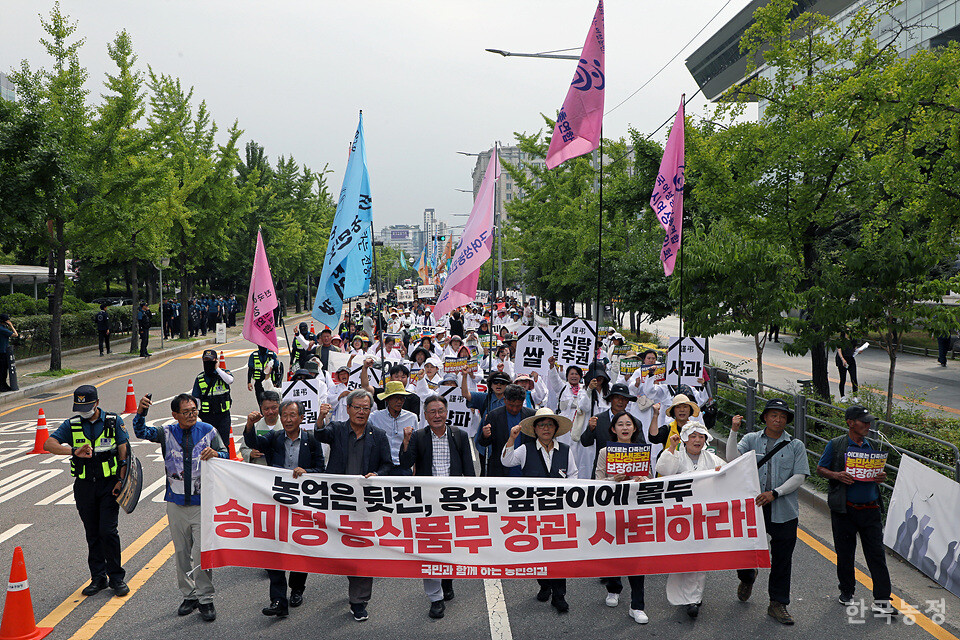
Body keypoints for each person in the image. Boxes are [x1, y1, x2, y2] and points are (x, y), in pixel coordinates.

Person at [133, 393, 228, 621]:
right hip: (175, 503)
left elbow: (226, 455)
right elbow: (141, 432)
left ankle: (206, 598)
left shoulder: (208, 431)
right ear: (175, 415)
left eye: (194, 410)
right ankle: (189, 595)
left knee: (201, 553)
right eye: (186, 412)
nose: (191, 415)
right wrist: (141, 412)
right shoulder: (166, 433)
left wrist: (216, 453)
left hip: (202, 503)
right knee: (182, 553)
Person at [728, 398, 810, 625]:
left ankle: (778, 603)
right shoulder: (751, 439)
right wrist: (734, 431)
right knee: (746, 549)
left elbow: (800, 476)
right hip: (753, 506)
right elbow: (732, 460)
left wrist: (775, 492)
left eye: (783, 416)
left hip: (784, 509)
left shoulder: (796, 445)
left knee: (782, 558)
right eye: (774, 415)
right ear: (765, 417)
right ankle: (747, 576)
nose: (778, 420)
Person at [313, 389, 393, 622]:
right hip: (337, 502)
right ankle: (352, 581)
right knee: (342, 550)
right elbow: (320, 434)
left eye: (365, 408)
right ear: (348, 409)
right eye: (356, 407)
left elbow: (388, 465)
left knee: (362, 551)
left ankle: (359, 601)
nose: (361, 412)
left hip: (365, 505)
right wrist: (321, 417)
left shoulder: (378, 435)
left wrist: (377, 475)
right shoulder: (337, 429)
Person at [43, 385, 130, 597]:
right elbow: (48, 444)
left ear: (97, 403)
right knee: (92, 533)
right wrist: (73, 451)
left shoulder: (113, 421)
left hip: (109, 485)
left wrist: (121, 480)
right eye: (80, 408)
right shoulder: (72, 425)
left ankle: (116, 578)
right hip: (84, 487)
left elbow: (124, 452)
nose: (84, 411)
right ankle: (98, 578)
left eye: (88, 407)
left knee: (108, 531)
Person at [244, 399, 325, 617]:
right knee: (274, 549)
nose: (288, 420)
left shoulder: (311, 440)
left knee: (300, 546)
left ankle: (297, 589)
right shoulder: (275, 438)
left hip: (302, 503)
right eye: (285, 415)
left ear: (301, 418)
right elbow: (254, 442)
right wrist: (250, 425)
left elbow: (321, 468)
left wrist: (306, 472)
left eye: (292, 415)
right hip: (276, 501)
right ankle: (278, 599)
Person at [816, 405, 898, 616]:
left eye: (869, 422)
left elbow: (877, 474)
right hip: (845, 510)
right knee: (845, 553)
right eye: (864, 421)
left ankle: (882, 600)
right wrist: (837, 475)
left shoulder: (872, 445)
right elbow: (820, 469)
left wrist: (881, 477)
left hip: (871, 510)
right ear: (850, 423)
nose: (868, 425)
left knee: (876, 555)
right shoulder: (836, 445)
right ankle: (846, 591)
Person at [398, 394, 475, 618]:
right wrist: (406, 442)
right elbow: (405, 464)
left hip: (453, 501)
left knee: (450, 546)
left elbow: (470, 472)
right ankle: (435, 598)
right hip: (427, 502)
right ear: (425, 415)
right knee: (430, 548)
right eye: (432, 412)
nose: (437, 415)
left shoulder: (459, 435)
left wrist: (470, 502)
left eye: (440, 411)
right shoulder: (419, 436)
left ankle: (447, 581)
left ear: (447, 412)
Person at [501, 408, 576, 612]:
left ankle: (559, 595)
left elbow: (573, 475)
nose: (546, 428)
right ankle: (544, 585)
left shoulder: (566, 450)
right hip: (533, 511)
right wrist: (511, 438)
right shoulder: (525, 449)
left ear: (556, 429)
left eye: (550, 425)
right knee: (537, 553)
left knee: (558, 554)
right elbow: (506, 461)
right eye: (541, 425)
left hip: (558, 511)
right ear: (534, 429)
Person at [594, 411, 660, 624]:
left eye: (628, 424)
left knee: (636, 555)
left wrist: (643, 479)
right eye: (620, 424)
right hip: (613, 508)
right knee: (613, 551)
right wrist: (614, 479)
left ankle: (637, 605)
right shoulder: (605, 452)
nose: (624, 427)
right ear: (613, 429)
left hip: (635, 510)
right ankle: (613, 588)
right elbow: (597, 481)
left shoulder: (642, 451)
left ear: (635, 428)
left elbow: (650, 480)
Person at [656, 422, 725, 619]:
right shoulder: (677, 455)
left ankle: (695, 598)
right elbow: (663, 469)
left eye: (701, 437)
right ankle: (683, 594)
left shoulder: (712, 458)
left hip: (703, 515)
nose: (697, 440)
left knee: (700, 557)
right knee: (681, 556)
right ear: (685, 439)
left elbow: (729, 473)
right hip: (679, 516)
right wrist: (671, 447)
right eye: (693, 436)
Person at [582, 384, 665, 479]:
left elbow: (641, 450)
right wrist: (590, 429)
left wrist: (642, 477)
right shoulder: (598, 420)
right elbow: (585, 442)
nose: (620, 401)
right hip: (604, 473)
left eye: (624, 399)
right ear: (611, 399)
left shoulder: (635, 422)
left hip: (630, 476)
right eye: (617, 398)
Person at [477, 383, 535, 477]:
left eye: (518, 406)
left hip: (525, 469)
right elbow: (483, 443)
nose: (514, 409)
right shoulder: (494, 416)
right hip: (500, 469)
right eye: (511, 405)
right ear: (505, 400)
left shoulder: (531, 416)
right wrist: (485, 435)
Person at [369, 380, 420, 475]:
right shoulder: (375, 417)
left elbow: (416, 445)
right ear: (387, 399)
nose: (399, 401)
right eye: (395, 398)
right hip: (381, 466)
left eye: (402, 398)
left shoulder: (412, 417)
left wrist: (415, 468)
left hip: (403, 466)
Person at [192, 349, 235, 445]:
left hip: (223, 416)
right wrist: (195, 414)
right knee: (209, 443)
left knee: (224, 443)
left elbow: (230, 380)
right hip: (207, 416)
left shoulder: (223, 374)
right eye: (206, 360)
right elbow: (196, 399)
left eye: (210, 360)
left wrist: (217, 368)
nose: (208, 363)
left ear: (216, 360)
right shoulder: (200, 378)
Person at [239, 390, 281, 465]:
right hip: (259, 467)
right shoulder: (254, 426)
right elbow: (243, 448)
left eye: (274, 408)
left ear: (279, 406)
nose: (270, 412)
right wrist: (250, 454)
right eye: (266, 409)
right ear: (261, 408)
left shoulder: (286, 425)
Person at [835, 329, 860, 403]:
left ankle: (855, 397)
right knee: (843, 379)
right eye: (847, 331)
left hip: (850, 359)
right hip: (842, 360)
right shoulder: (841, 340)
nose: (848, 332)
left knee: (854, 378)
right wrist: (843, 359)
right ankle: (842, 396)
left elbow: (854, 348)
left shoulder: (853, 340)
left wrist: (858, 350)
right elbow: (839, 350)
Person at [0, 314, 17, 392]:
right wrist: (11, 326)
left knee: (3, 370)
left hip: (4, 351)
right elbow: (15, 334)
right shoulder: (2, 329)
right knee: (2, 370)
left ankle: (4, 384)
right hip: (2, 352)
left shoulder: (3, 328)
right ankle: (2, 385)